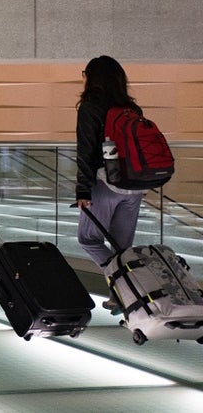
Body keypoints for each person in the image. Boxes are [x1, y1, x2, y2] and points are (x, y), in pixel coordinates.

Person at [75, 55, 145, 312]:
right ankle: (120, 296)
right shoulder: (132, 108)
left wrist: (82, 190)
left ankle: (128, 284)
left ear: (92, 78)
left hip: (105, 185)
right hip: (135, 186)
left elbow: (85, 150)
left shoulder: (90, 106)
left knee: (88, 239)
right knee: (122, 248)